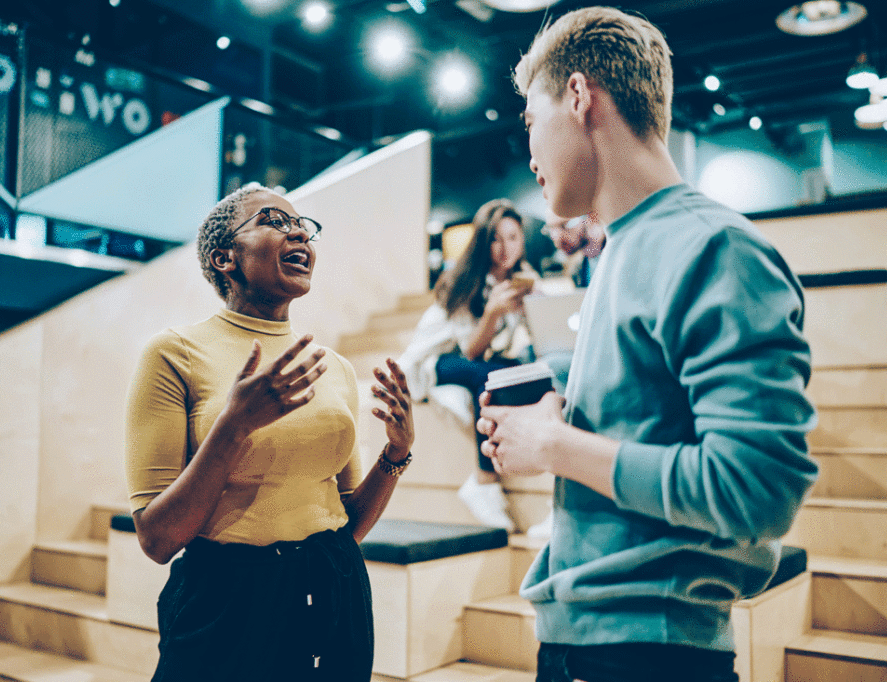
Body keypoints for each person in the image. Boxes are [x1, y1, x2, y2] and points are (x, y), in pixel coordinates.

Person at [476, 7, 817, 682]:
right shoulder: (623, 249)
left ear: (578, 97)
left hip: (651, 653)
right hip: (587, 642)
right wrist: (558, 406)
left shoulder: (713, 246)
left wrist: (553, 446)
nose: (531, 154)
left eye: (529, 123)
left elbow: (756, 491)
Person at [124, 182, 415, 682]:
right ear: (224, 258)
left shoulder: (334, 368)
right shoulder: (173, 353)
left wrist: (396, 452)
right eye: (273, 221)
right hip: (227, 598)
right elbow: (157, 539)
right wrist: (233, 427)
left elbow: (347, 522)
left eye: (303, 226)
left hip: (335, 585)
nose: (298, 232)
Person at [399, 198, 537, 532]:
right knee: (489, 376)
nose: (505, 248)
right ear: (482, 241)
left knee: (515, 370)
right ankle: (484, 480)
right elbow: (471, 351)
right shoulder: (464, 280)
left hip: (475, 359)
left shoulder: (520, 280)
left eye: (513, 238)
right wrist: (493, 312)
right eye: (496, 238)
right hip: (433, 362)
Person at [542, 210, 606, 288]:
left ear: (591, 217)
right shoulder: (580, 269)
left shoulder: (616, 255)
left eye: (565, 225)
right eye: (551, 228)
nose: (557, 238)